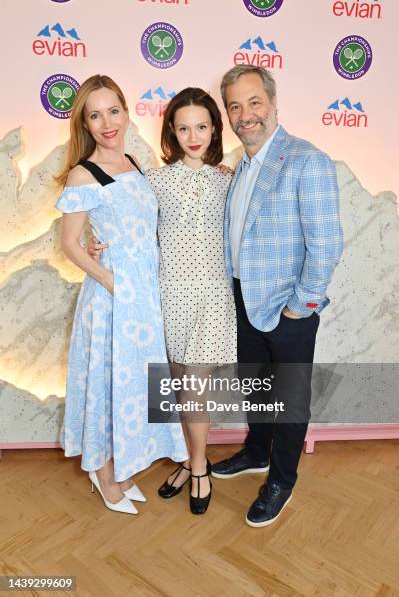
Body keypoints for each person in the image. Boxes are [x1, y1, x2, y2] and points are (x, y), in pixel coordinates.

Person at [89, 88, 237, 514]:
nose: (194, 135)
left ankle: (197, 469)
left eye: (203, 126)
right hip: (164, 296)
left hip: (211, 296)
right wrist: (97, 244)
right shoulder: (152, 181)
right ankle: (190, 460)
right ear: (171, 131)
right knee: (174, 386)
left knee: (196, 388)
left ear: (214, 129)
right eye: (184, 127)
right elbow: (125, 223)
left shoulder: (229, 179)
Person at [210, 65, 344, 527]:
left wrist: (299, 306)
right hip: (244, 301)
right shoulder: (240, 165)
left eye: (254, 103)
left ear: (272, 104)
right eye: (234, 106)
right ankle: (256, 452)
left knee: (288, 399)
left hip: (289, 310)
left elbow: (326, 243)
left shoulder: (307, 160)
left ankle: (281, 479)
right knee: (256, 386)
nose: (245, 115)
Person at [55, 74, 187, 515]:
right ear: (85, 125)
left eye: (113, 110)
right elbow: (70, 244)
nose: (107, 122)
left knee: (134, 383)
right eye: (95, 115)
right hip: (114, 298)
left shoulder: (133, 160)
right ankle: (103, 471)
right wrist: (113, 283)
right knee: (109, 382)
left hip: (145, 295)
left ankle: (121, 462)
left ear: (127, 113)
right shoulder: (82, 173)